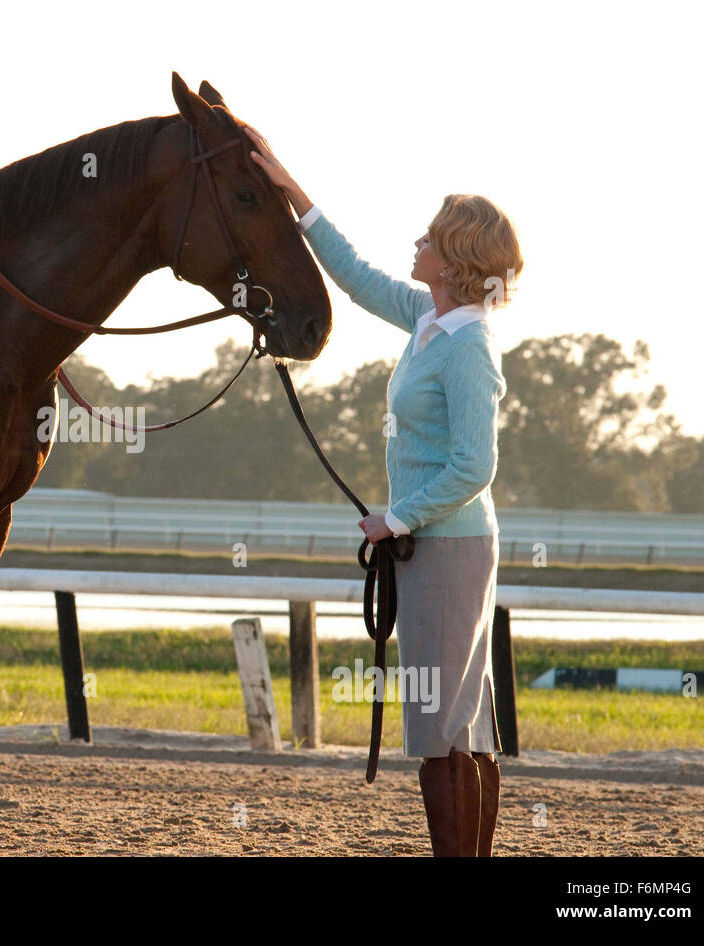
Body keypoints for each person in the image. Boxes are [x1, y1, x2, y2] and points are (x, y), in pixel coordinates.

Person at [246, 126, 524, 857]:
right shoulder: (429, 319)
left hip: (448, 543)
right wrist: (288, 189)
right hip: (439, 542)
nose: (418, 242)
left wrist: (397, 516)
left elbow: (474, 466)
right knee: (463, 720)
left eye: (431, 237)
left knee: (442, 725)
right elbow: (355, 273)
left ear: (456, 257)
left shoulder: (467, 348)